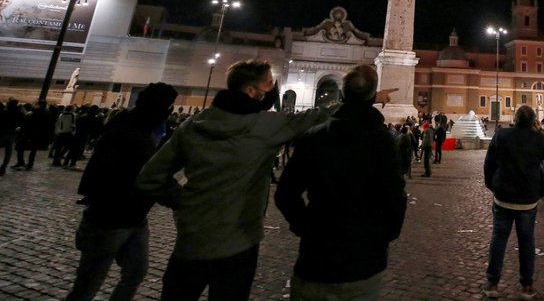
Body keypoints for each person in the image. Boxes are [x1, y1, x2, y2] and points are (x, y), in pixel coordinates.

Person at [136, 58, 397, 301]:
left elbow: (149, 177)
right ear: (252, 91)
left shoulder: (192, 125)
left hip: (190, 241)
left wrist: (185, 201)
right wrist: (369, 98)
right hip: (239, 242)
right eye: (269, 84)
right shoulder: (265, 127)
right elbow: (315, 117)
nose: (273, 89)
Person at [274, 65, 406, 301]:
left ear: (342, 94)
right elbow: (395, 197)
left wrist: (306, 227)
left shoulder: (314, 137)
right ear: (372, 95)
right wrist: (382, 236)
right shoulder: (382, 142)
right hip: (364, 259)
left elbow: (285, 193)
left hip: (315, 257)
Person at [65, 82, 178, 301]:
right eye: (168, 107)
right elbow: (149, 178)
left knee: (136, 271)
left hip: (135, 217)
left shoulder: (135, 126)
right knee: (88, 284)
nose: (169, 112)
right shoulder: (132, 134)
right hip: (109, 219)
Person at [482, 105, 544, 300]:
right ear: (532, 122)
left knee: (498, 240)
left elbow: (489, 163)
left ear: (515, 119)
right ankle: (526, 286)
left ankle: (492, 283)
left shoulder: (501, 135)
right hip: (528, 200)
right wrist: (536, 131)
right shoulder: (537, 138)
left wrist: (491, 184)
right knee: (527, 242)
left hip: (503, 197)